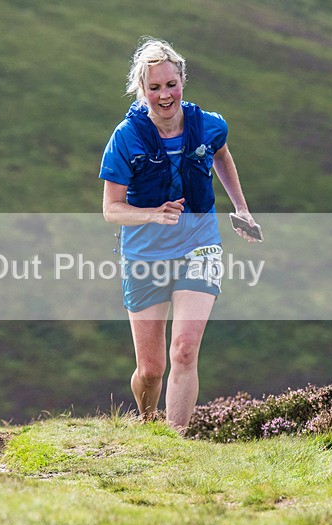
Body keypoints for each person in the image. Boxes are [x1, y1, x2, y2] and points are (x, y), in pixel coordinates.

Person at [100, 38, 259, 432]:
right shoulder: (126, 137)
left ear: (183, 81)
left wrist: (240, 207)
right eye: (154, 88)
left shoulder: (208, 124)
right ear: (142, 91)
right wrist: (153, 214)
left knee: (184, 351)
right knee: (150, 370)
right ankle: (147, 420)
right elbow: (110, 209)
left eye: (171, 84)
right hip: (144, 254)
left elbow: (220, 151)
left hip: (199, 244)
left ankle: (176, 443)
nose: (164, 95)